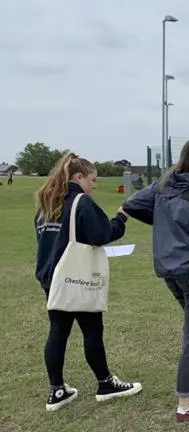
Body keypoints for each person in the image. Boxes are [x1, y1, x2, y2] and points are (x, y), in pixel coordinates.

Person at [122, 137, 189, 423]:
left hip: (169, 268)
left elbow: (132, 204)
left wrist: (165, 221)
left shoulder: (164, 185)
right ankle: (186, 405)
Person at [34, 152, 142, 412]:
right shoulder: (81, 202)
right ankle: (105, 383)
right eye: (92, 180)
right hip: (77, 278)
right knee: (92, 330)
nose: (95, 185)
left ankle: (57, 390)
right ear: (79, 177)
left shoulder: (46, 204)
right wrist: (121, 218)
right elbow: (102, 234)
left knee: (58, 332)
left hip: (52, 277)